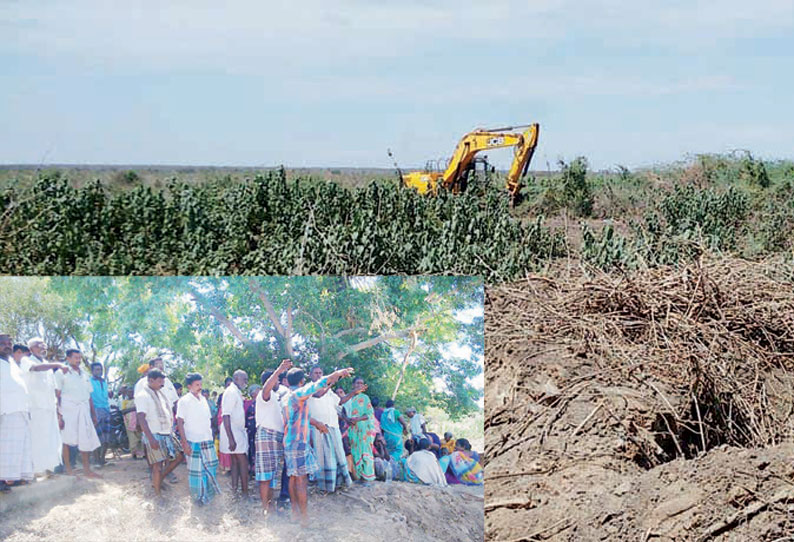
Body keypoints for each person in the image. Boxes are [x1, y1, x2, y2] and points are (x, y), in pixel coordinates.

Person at [282, 365, 354, 526]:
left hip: (290, 441)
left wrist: (317, 424)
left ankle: (295, 513)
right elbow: (317, 385)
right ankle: (305, 518)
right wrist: (336, 373)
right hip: (298, 441)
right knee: (301, 480)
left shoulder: (286, 397)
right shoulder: (298, 394)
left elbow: (296, 418)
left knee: (293, 477)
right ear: (301, 381)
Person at [19, 338, 65, 476]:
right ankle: (33, 472)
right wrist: (56, 364)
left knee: (50, 440)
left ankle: (48, 469)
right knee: (36, 440)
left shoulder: (47, 364)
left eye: (44, 344)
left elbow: (52, 389)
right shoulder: (26, 360)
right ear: (31, 348)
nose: (42, 347)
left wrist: (58, 410)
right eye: (39, 345)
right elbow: (36, 369)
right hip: (35, 408)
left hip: (49, 408)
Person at [55, 349, 101, 479]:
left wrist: (93, 414)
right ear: (68, 358)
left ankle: (87, 470)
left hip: (84, 409)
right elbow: (57, 395)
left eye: (79, 358)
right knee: (67, 440)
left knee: (85, 438)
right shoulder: (61, 373)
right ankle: (69, 469)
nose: (78, 360)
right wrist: (59, 415)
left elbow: (89, 396)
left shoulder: (85, 374)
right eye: (75, 357)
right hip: (68, 410)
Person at [137, 369, 183, 496]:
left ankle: (159, 479)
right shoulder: (143, 395)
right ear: (151, 380)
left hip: (167, 432)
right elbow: (141, 418)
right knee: (157, 465)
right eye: (159, 381)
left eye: (163, 381)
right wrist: (151, 439)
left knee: (180, 456)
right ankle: (157, 494)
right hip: (154, 434)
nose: (162, 384)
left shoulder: (161, 393)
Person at [176, 373, 220, 505]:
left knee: (211, 466)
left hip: (207, 439)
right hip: (193, 440)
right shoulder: (184, 401)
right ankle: (198, 498)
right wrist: (184, 443)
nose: (199, 387)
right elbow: (179, 421)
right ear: (189, 386)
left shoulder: (203, 399)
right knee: (196, 471)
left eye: (200, 384)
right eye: (196, 385)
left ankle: (209, 494)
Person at [307, 366, 352, 493]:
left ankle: (338, 484)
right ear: (310, 375)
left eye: (320, 373)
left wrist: (354, 392)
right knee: (323, 456)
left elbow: (340, 401)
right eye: (315, 373)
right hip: (319, 427)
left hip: (333, 425)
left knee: (338, 455)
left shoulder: (329, 391)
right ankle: (324, 487)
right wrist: (332, 380)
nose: (318, 375)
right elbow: (318, 394)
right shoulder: (309, 388)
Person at [255, 359, 291, 517]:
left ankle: (270, 505)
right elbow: (267, 387)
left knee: (272, 475)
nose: (278, 381)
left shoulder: (277, 397)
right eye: (276, 379)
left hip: (277, 437)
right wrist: (279, 370)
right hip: (266, 436)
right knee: (265, 475)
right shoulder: (265, 395)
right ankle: (266, 508)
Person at [0, 334, 34, 490]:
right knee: (5, 449)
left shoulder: (12, 362)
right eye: (3, 343)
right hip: (6, 412)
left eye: (9, 343)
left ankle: (14, 479)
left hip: (20, 411)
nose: (7, 345)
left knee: (18, 449)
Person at [340, 376, 376, 484]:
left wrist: (357, 419)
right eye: (357, 383)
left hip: (364, 430)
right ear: (353, 385)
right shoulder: (348, 398)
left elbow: (369, 414)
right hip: (353, 430)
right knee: (355, 452)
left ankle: (367, 478)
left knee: (365, 451)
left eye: (361, 383)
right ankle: (358, 476)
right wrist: (347, 420)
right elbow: (342, 412)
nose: (359, 385)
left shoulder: (365, 398)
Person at [221, 369, 249, 496]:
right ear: (236, 378)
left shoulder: (235, 392)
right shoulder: (231, 392)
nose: (246, 382)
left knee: (235, 461)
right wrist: (231, 438)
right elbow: (225, 415)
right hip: (232, 431)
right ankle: (244, 492)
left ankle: (235, 490)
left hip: (235, 430)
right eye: (245, 379)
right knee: (242, 460)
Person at [90, 362, 111, 466]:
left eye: (100, 369)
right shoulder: (89, 381)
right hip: (95, 410)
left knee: (107, 438)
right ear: (92, 371)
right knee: (97, 437)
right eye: (97, 369)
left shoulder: (104, 382)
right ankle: (96, 460)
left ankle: (102, 459)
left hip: (106, 410)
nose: (99, 371)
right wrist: (92, 413)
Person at [120, 387, 143, 459]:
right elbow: (123, 411)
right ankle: (134, 454)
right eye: (129, 392)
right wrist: (133, 409)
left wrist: (129, 410)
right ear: (126, 393)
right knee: (132, 438)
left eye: (132, 392)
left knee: (140, 437)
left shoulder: (137, 400)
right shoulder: (124, 402)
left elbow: (140, 409)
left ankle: (142, 453)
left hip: (138, 421)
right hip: (128, 422)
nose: (130, 393)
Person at [245, 384, 260, 477]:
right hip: (252, 431)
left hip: (255, 430)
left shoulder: (258, 404)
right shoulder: (252, 405)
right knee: (252, 448)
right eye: (258, 390)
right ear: (254, 393)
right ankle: (252, 467)